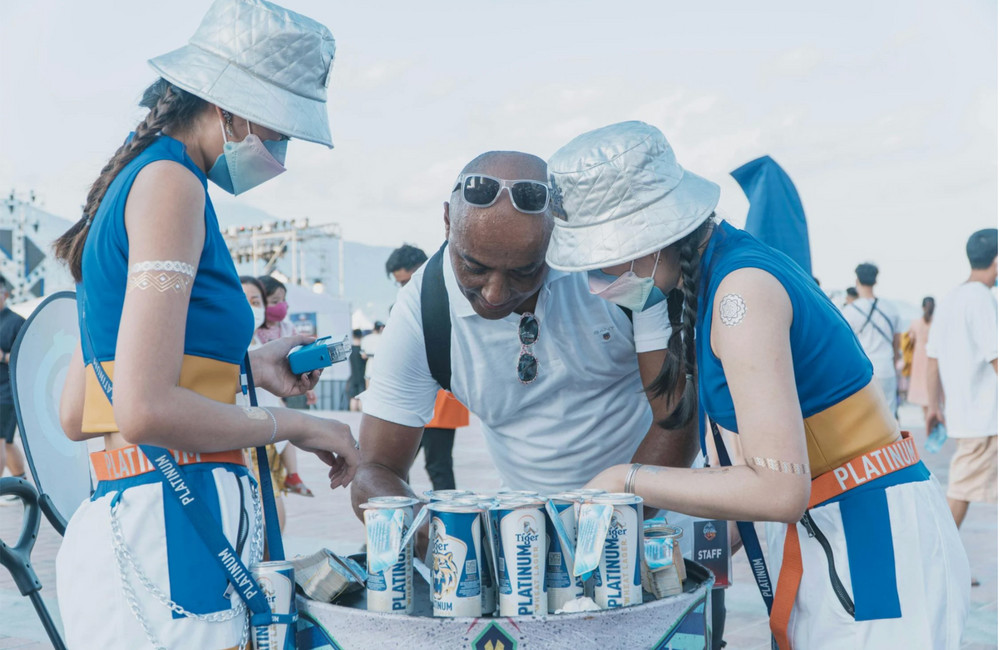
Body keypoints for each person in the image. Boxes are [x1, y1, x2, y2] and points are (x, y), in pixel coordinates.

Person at [550, 121, 969, 650]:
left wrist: (625, 479)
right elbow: (751, 471)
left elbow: (777, 488)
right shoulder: (714, 284)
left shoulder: (739, 295)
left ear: (649, 236)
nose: (597, 280)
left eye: (602, 258)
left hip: (869, 541)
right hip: (831, 531)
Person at [50, 3, 358, 647]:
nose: (281, 149)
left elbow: (83, 410)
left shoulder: (136, 183)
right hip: (173, 520)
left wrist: (246, 368)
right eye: (281, 128)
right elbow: (142, 406)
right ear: (234, 108)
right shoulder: (172, 185)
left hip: (140, 514)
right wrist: (298, 423)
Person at [926, 229, 998, 586]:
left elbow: (932, 358)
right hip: (985, 417)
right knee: (961, 491)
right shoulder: (982, 299)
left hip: (966, 414)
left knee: (962, 489)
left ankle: (938, 564)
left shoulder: (951, 298)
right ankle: (937, 564)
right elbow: (996, 356)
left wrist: (933, 406)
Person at [385, 243, 470, 491]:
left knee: (439, 466)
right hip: (412, 398)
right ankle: (404, 516)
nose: (404, 288)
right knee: (394, 466)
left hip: (443, 399)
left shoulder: (452, 294)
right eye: (399, 284)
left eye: (405, 281)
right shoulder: (404, 306)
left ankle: (452, 522)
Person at [257, 274, 314, 496]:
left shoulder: (286, 328)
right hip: (262, 393)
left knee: (285, 429)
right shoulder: (253, 330)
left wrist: (309, 386)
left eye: (283, 301)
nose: (280, 307)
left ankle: (293, 475)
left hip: (276, 390)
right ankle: (289, 476)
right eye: (274, 302)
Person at [241, 276, 289, 529]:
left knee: (273, 517)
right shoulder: (224, 348)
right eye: (243, 300)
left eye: (255, 301)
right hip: (243, 438)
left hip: (269, 437)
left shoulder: (262, 344)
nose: (251, 307)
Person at [840, 263, 903, 415]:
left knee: (864, 417)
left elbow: (845, 346)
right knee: (889, 417)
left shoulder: (849, 311)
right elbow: (897, 342)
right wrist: (894, 365)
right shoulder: (891, 308)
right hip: (886, 368)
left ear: (857, 281)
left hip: (862, 371)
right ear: (875, 281)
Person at [0, 279, 28, 499]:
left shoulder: (16, 321)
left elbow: (27, 356)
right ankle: (21, 486)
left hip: (8, 393)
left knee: (1, 441)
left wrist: (2, 356)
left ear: (5, 294)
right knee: (7, 443)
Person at [905, 297, 935, 413]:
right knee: (933, 391)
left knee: (922, 391)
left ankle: (927, 417)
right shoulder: (937, 324)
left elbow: (909, 339)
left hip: (919, 359)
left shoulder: (915, 323)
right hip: (933, 358)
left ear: (922, 307)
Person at [346, 328, 366, 411]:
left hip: (353, 376)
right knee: (361, 398)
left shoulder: (350, 350)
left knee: (353, 398)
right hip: (362, 377)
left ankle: (352, 416)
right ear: (361, 336)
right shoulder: (362, 350)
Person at [360, 321, 384, 389]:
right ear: (381, 328)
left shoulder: (366, 338)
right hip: (381, 366)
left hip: (370, 365)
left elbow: (363, 355)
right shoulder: (384, 338)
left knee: (368, 390)